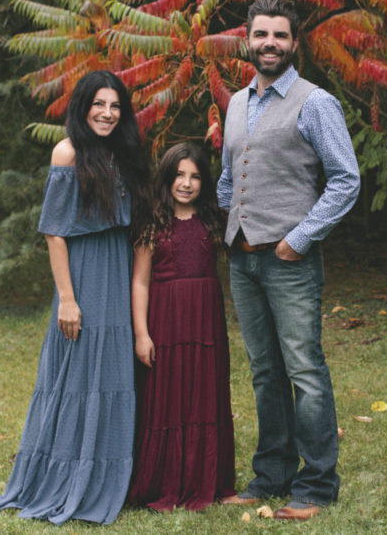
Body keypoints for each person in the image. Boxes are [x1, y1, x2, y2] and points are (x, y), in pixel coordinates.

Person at [216, 0, 360, 520]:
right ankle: (271, 476)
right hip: (243, 259)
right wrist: (231, 219)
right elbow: (231, 175)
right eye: (261, 35)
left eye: (280, 35)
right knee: (263, 371)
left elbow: (346, 179)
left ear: (294, 43)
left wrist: (300, 237)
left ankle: (316, 486)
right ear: (247, 39)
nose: (269, 43)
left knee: (304, 370)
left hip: (289, 261)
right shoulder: (235, 103)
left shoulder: (314, 101)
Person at [0, 70, 149, 525]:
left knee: (110, 373)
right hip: (82, 275)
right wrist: (67, 299)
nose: (107, 113)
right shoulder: (68, 152)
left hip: (117, 271)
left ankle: (104, 471)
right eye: (99, 104)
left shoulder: (123, 151)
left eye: (115, 105)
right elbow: (54, 232)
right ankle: (65, 475)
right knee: (77, 375)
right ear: (82, 108)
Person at [126, 142, 236, 511]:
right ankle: (167, 482)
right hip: (166, 322)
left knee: (206, 396)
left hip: (205, 323)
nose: (187, 183)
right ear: (167, 178)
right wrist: (142, 334)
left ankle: (211, 481)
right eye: (179, 175)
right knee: (168, 400)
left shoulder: (213, 220)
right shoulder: (152, 222)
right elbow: (140, 282)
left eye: (195, 177)